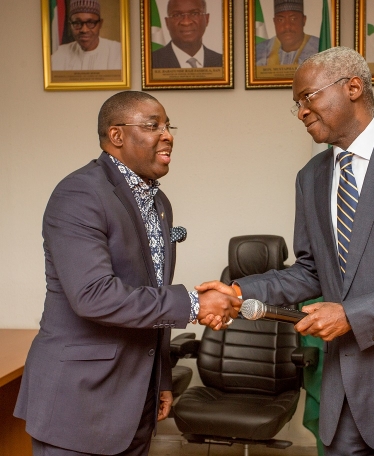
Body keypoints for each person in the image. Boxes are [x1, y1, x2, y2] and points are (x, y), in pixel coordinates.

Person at [198, 47, 374, 455]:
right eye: (295, 104)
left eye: (308, 97)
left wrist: (352, 314)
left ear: (352, 87)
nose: (301, 112)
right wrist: (239, 293)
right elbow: (312, 271)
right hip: (342, 397)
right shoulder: (311, 177)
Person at [13, 91, 240, 456]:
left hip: (136, 401)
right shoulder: (80, 193)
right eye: (153, 126)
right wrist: (196, 302)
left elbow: (152, 292)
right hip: (80, 403)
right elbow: (94, 295)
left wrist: (161, 379)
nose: (167, 135)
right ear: (117, 135)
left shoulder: (158, 202)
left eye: (168, 126)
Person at [51, 0, 122, 71]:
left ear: (100, 24)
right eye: (77, 23)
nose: (84, 30)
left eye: (90, 22)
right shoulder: (60, 55)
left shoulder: (118, 52)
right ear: (70, 25)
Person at [152, 0, 222, 69]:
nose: (186, 22)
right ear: (167, 23)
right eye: (177, 15)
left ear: (206, 19)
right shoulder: (151, 62)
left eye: (195, 13)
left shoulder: (223, 62)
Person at [256, 0, 319, 67]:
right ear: (274, 22)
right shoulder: (259, 51)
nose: (287, 26)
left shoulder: (320, 48)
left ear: (303, 20)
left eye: (293, 19)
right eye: (281, 20)